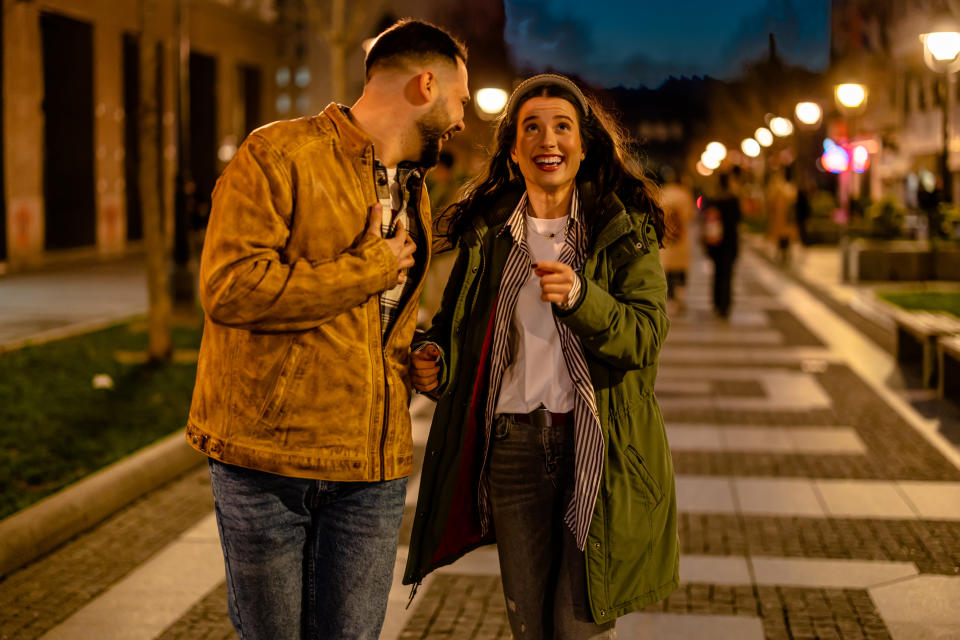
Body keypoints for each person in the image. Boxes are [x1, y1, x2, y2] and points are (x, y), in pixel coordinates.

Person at [185, 19, 469, 640]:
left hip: (373, 470)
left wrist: (421, 353)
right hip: (269, 461)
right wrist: (365, 269)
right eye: (460, 99)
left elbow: (378, 316)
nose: (463, 120)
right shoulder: (278, 154)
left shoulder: (414, 190)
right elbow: (230, 290)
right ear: (426, 84)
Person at [403, 74, 679, 639]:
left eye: (561, 127)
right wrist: (434, 360)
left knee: (578, 626)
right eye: (531, 127)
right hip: (513, 451)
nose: (547, 140)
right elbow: (456, 328)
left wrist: (581, 297)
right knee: (529, 628)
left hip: (597, 445)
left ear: (584, 144)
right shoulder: (489, 233)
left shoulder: (621, 229)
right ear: (512, 146)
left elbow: (644, 336)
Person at [658, 167, 695, 314]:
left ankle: (670, 299)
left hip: (666, 239)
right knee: (680, 270)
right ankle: (680, 298)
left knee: (667, 270)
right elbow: (690, 215)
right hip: (681, 239)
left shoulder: (663, 193)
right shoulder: (685, 194)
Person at [705, 172, 742, 318]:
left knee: (717, 273)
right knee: (727, 275)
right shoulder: (733, 199)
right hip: (730, 241)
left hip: (715, 242)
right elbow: (739, 218)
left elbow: (706, 218)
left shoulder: (713, 199)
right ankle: (725, 305)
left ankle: (716, 302)